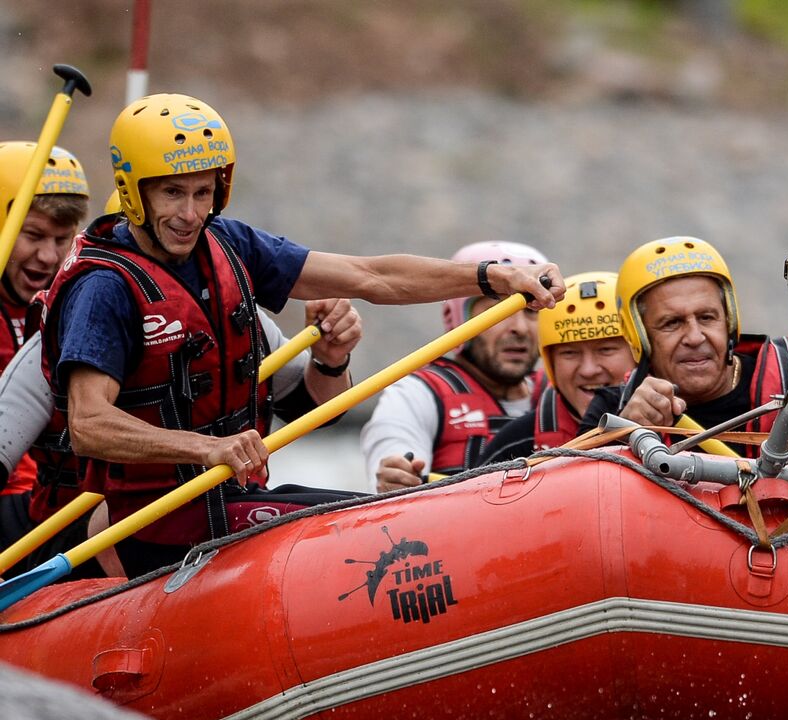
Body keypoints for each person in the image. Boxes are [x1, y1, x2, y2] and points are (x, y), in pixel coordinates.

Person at [42, 93, 562, 578]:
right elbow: (89, 424)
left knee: (383, 514)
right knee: (382, 527)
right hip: (158, 524)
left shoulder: (228, 242)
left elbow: (371, 277)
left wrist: (494, 277)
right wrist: (206, 448)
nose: (190, 214)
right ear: (134, 192)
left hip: (232, 500)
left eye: (203, 192)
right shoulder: (104, 287)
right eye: (173, 193)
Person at [580, 236, 788, 456]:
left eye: (707, 318)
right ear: (638, 336)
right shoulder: (612, 411)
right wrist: (622, 436)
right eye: (672, 323)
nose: (695, 337)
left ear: (729, 322)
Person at [360, 241, 551, 491]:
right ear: (457, 318)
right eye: (500, 310)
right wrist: (395, 476)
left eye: (532, 312)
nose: (520, 328)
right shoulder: (417, 395)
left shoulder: (562, 391)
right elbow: (393, 458)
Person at [0, 141, 88, 552]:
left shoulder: (76, 303)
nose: (48, 256)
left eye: (62, 238)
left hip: (54, 499)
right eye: (33, 236)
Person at [481, 271, 639, 463]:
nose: (588, 370)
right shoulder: (513, 447)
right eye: (569, 353)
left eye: (606, 350)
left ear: (638, 353)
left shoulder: (671, 424)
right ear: (550, 363)